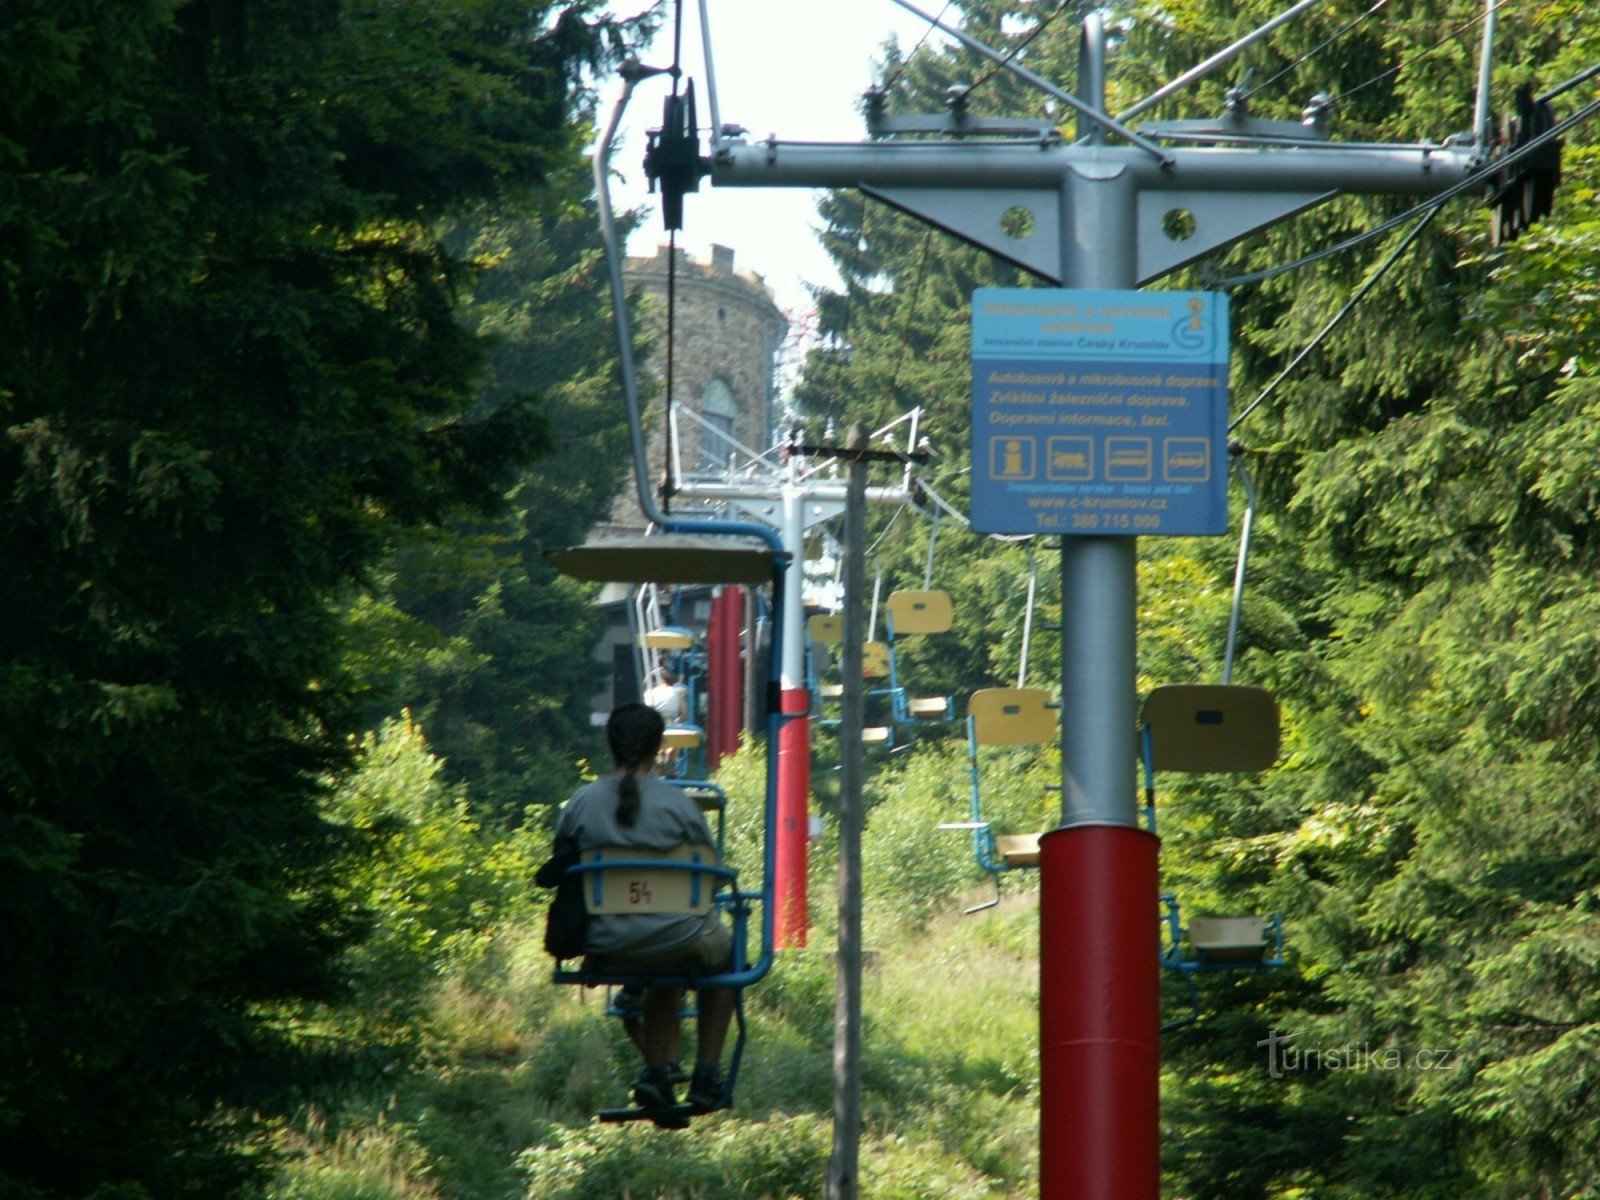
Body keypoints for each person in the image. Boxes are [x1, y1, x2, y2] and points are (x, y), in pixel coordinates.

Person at [551, 703, 735, 1123]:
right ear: (659, 747)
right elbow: (709, 873)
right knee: (721, 960)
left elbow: (561, 862)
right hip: (677, 938)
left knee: (658, 971)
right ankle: (706, 1073)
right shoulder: (680, 806)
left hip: (605, 942)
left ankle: (658, 1071)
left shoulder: (581, 803)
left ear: (611, 744)